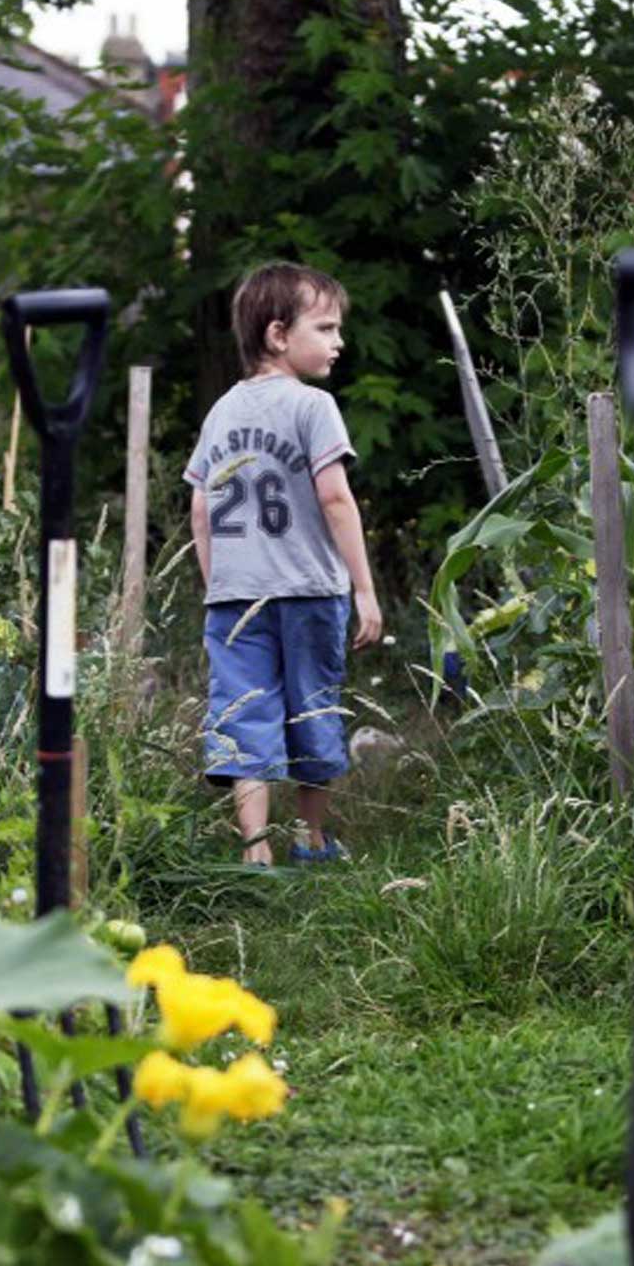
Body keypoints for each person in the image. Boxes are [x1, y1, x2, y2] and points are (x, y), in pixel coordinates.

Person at [186, 262, 383, 866]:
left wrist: (218, 583)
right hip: (307, 592)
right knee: (313, 706)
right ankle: (311, 838)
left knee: (244, 709)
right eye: (324, 328)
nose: (338, 342)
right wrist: (364, 590)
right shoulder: (313, 406)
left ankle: (255, 848)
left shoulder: (221, 412)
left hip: (236, 598)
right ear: (278, 335)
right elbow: (334, 497)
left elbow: (200, 506)